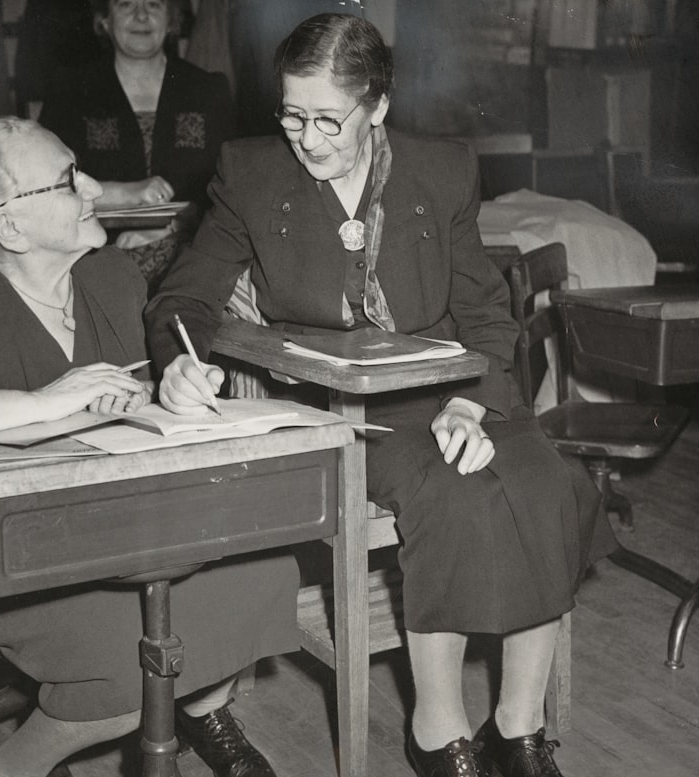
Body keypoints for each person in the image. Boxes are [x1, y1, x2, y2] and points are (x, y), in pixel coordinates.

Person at [145, 14, 617, 777]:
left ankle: (519, 728)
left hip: (451, 388)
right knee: (455, 497)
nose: (309, 138)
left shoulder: (441, 170)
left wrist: (472, 402)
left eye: (329, 119)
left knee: (545, 480)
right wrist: (177, 359)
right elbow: (184, 296)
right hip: (340, 406)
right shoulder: (251, 171)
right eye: (292, 115)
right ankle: (437, 729)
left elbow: (488, 315)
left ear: (380, 106)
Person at [0, 117, 291, 777]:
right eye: (66, 181)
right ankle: (11, 768)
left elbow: (150, 379)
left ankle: (195, 707)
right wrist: (42, 403)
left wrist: (175, 382)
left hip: (120, 533)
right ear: (10, 226)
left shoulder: (111, 277)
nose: (91, 185)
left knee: (262, 573)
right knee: (144, 645)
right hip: (8, 557)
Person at [38, 0, 234, 293]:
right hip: (96, 256)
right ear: (104, 20)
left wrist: (171, 227)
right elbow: (46, 187)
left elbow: (231, 188)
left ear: (171, 21)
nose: (141, 15)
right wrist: (127, 194)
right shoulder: (71, 91)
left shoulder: (208, 89)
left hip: (193, 255)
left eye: (154, 4)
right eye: (126, 3)